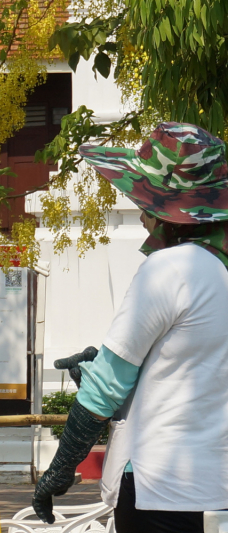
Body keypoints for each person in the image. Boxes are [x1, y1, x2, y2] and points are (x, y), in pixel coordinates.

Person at [32, 122, 228, 532]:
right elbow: (187, 378)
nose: (140, 215)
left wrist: (59, 470)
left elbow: (105, 387)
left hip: (158, 489)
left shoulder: (171, 268)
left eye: (146, 202)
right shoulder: (218, 273)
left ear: (171, 214)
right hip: (215, 489)